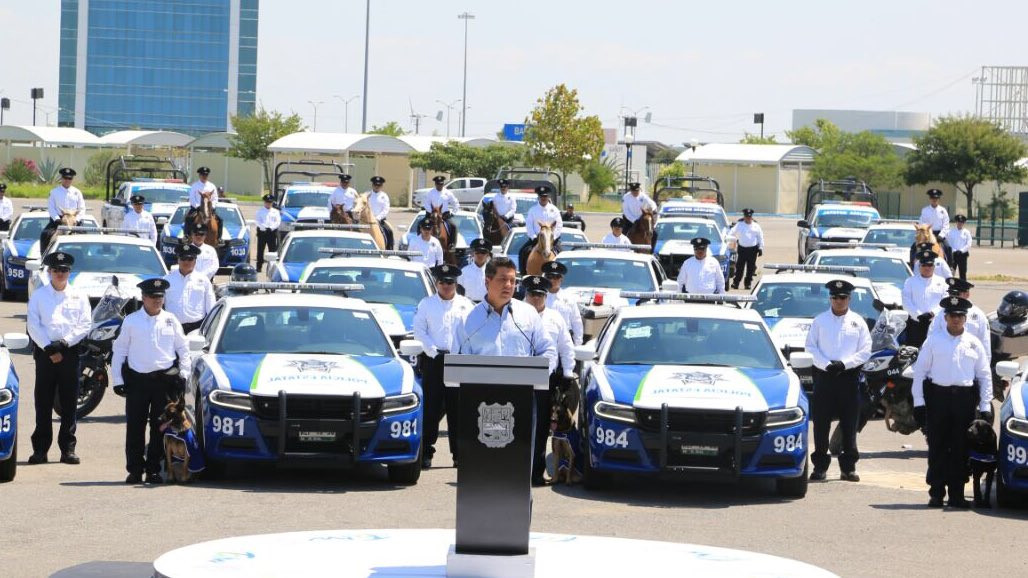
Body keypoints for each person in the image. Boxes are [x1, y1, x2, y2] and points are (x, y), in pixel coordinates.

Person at [453, 257, 557, 484]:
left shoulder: (527, 315)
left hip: (522, 403)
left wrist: (538, 374)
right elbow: (457, 363)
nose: (509, 285)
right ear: (487, 281)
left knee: (517, 473)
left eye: (512, 280)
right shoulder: (467, 320)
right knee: (484, 471)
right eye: (502, 280)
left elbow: (548, 350)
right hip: (480, 406)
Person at [912, 296, 993, 508]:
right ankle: (936, 492)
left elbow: (984, 375)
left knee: (960, 447)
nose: (956, 319)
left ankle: (957, 494)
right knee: (937, 446)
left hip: (964, 400)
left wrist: (985, 406)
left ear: (965, 318)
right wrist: (919, 403)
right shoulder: (933, 341)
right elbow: (920, 373)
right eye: (952, 316)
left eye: (960, 316)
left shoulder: (974, 344)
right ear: (945, 317)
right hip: (938, 397)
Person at [112, 278, 190, 484]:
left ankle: (154, 469)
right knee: (135, 427)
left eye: (160, 297)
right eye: (153, 297)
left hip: (163, 383)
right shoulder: (131, 321)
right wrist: (117, 380)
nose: (157, 300)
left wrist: (184, 374)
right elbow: (119, 351)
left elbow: (183, 349)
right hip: (138, 381)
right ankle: (135, 470)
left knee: (160, 428)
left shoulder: (171, 320)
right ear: (143, 298)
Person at [26, 251, 92, 465]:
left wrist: (64, 343)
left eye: (64, 270)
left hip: (69, 353)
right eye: (56, 270)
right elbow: (33, 325)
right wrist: (48, 347)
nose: (60, 273)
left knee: (69, 404)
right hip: (45, 355)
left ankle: (68, 449)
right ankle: (40, 450)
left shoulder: (79, 296)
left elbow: (84, 324)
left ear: (69, 272)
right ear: (49, 271)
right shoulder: (39, 295)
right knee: (43, 403)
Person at [805, 279, 872, 482]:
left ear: (849, 298)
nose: (839, 301)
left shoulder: (858, 322)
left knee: (849, 424)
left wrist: (845, 364)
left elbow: (865, 350)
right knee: (821, 424)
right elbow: (810, 347)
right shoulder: (820, 321)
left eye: (843, 297)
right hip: (825, 377)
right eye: (835, 297)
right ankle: (819, 467)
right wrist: (826, 364)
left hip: (848, 378)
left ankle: (848, 467)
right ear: (830, 298)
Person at [413, 264, 475, 468]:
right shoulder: (426, 304)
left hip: (459, 361)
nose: (446, 286)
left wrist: (461, 354)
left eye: (450, 282)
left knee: (458, 410)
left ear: (456, 283)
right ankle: (426, 453)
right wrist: (433, 352)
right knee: (431, 409)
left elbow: (473, 333)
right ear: (436, 283)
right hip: (435, 361)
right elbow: (420, 332)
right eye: (442, 282)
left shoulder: (467, 305)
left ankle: (459, 455)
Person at [522, 275, 576, 486]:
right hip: (519, 377)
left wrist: (568, 373)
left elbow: (566, 346)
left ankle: (536, 471)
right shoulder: (514, 314)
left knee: (543, 426)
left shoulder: (555, 318)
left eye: (540, 295)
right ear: (525, 295)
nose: (536, 299)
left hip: (547, 380)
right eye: (532, 295)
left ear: (546, 296)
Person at [928, 278, 990, 360]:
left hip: (969, 363)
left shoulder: (978, 315)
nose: (953, 297)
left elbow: (985, 344)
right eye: (950, 293)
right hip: (944, 361)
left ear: (967, 294)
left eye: (956, 293)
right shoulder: (941, 314)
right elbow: (931, 339)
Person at [164, 244, 216, 334]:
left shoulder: (204, 280)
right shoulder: (167, 280)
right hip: (172, 328)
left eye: (190, 259)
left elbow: (211, 306)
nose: (186, 262)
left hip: (197, 328)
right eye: (183, 258)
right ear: (178, 260)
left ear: (195, 261)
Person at [901, 250, 949, 347]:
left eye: (930, 265)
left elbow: (945, 301)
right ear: (919, 266)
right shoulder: (910, 282)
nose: (927, 268)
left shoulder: (942, 282)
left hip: (936, 324)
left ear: (934, 266)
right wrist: (918, 315)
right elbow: (906, 302)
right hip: (915, 324)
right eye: (924, 265)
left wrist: (932, 313)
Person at [518, 186, 563, 274]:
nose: (543, 198)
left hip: (551, 240)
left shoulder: (554, 210)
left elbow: (559, 225)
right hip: (536, 239)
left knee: (562, 254)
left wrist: (554, 238)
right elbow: (529, 225)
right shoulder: (532, 210)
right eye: (542, 196)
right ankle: (523, 275)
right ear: (539, 197)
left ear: (548, 197)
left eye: (545, 196)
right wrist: (533, 237)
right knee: (522, 252)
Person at [542, 261, 584, 346]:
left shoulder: (569, 298)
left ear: (562, 278)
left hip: (564, 342)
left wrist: (577, 344)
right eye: (549, 277)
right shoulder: (538, 297)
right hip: (543, 340)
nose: (552, 280)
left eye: (556, 277)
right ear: (545, 278)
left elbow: (576, 321)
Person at [42, 168, 86, 247]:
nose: (67, 180)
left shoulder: (77, 192)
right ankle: (44, 257)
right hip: (58, 221)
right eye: (65, 178)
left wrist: (77, 219)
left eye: (70, 178)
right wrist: (57, 219)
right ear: (61, 178)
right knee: (45, 235)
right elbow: (51, 207)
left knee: (86, 236)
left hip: (74, 221)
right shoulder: (54, 192)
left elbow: (82, 208)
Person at [730, 208, 764, 290]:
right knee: (739, 267)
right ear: (744, 216)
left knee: (750, 268)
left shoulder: (756, 226)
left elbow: (760, 237)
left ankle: (748, 284)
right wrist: (731, 239)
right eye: (746, 216)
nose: (748, 218)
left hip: (752, 250)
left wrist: (760, 248)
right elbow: (731, 232)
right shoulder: (740, 224)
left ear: (751, 217)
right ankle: (736, 283)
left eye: (749, 216)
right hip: (742, 249)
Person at [421, 175, 461, 242]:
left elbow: (455, 203)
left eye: (441, 184)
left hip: (445, 215)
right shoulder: (430, 193)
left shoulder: (448, 193)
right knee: (420, 224)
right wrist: (432, 212)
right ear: (435, 184)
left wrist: (453, 213)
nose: (440, 186)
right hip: (432, 215)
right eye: (438, 184)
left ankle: (451, 245)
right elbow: (426, 204)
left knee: (454, 226)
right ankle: (420, 241)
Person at [918, 188, 951, 264]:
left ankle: (950, 266)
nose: (934, 200)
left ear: (938, 199)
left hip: (939, 235)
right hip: (927, 235)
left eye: (936, 198)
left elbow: (946, 225)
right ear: (930, 199)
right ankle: (913, 265)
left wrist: (941, 235)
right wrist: (926, 234)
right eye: (932, 198)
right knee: (914, 247)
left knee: (948, 247)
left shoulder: (943, 210)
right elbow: (922, 223)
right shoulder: (925, 210)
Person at [458, 238, 491, 302]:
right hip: (468, 306)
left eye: (483, 252)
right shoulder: (464, 272)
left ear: (487, 255)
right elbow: (459, 293)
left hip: (486, 306)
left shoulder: (492, 272)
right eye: (477, 252)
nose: (480, 255)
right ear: (473, 253)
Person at [254, 193, 281, 270]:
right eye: (267, 202)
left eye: (270, 202)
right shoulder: (259, 211)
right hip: (262, 232)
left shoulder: (276, 212)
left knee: (272, 251)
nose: (268, 204)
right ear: (264, 202)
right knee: (260, 250)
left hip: (272, 233)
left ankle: (272, 266)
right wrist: (264, 228)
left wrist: (271, 228)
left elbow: (278, 222)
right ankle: (259, 266)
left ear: (272, 203)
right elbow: (257, 222)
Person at [367, 176, 394, 250]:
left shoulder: (384, 196)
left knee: (389, 230)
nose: (377, 186)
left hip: (380, 220)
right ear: (372, 185)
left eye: (379, 185)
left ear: (381, 186)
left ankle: (389, 249)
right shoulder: (367, 195)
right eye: (375, 185)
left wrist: (377, 218)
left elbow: (386, 209)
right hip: (367, 220)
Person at [948, 215, 973, 281]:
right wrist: (954, 250)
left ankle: (963, 288)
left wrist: (961, 250)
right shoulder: (951, 231)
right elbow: (949, 243)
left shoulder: (967, 232)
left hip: (963, 255)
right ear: (956, 222)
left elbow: (969, 243)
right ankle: (950, 287)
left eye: (962, 222)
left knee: (963, 272)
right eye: (959, 222)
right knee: (951, 272)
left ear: (964, 223)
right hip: (953, 254)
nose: (960, 223)